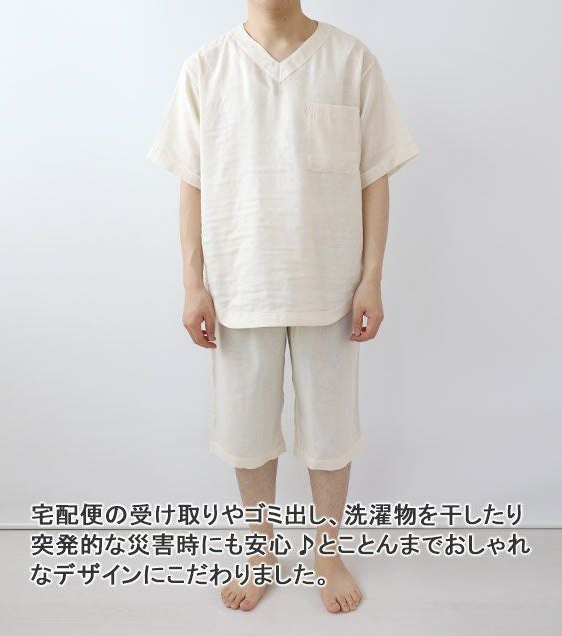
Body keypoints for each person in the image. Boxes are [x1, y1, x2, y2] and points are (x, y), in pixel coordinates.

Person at [147, 0, 420, 614]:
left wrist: (372, 279)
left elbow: (375, 176)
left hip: (332, 284)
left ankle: (327, 552)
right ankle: (260, 550)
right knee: (246, 432)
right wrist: (193, 283)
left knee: (331, 430)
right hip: (240, 284)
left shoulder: (350, 60)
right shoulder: (207, 67)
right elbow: (191, 182)